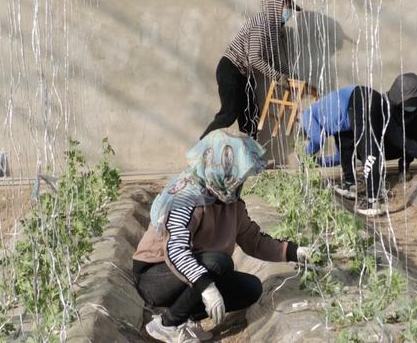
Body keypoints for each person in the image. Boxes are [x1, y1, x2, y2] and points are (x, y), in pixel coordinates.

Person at [132, 130, 311, 342]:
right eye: (237, 174)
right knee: (219, 263)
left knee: (250, 288)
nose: (240, 182)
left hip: (193, 270)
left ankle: (186, 317)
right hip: (156, 275)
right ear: (221, 167)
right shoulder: (186, 197)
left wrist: (295, 251)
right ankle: (166, 324)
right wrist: (206, 288)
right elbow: (175, 250)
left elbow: (254, 240)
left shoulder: (231, 203)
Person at [299, 73, 417, 216]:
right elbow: (342, 156)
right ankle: (350, 185)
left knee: (369, 146)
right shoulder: (343, 121)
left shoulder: (309, 116)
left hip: (360, 100)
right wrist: (318, 162)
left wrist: (304, 157)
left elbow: (317, 141)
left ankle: (373, 201)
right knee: (350, 146)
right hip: (363, 109)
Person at [200, 0, 301, 140]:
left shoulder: (274, 29)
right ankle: (202, 148)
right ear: (275, 6)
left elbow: (274, 60)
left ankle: (251, 157)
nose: (289, 13)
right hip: (231, 69)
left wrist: (292, 76)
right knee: (229, 114)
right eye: (287, 8)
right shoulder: (262, 24)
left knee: (250, 115)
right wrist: (279, 78)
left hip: (245, 74)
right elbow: (254, 58)